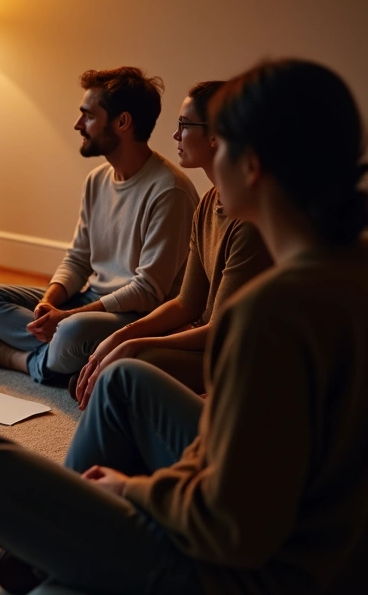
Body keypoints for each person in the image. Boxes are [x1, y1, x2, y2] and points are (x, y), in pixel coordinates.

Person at [0, 59, 368, 594]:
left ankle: (57, 554)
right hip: (326, 531)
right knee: (123, 382)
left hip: (278, 572)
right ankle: (61, 554)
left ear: (254, 165)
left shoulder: (270, 310)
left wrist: (131, 490)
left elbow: (231, 529)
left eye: (222, 144)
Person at [0, 67, 198, 389]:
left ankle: (22, 360)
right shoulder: (97, 180)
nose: (78, 125)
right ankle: (65, 360)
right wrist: (48, 304)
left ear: (122, 122)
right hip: (89, 299)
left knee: (72, 331)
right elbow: (78, 259)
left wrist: (67, 318)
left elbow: (148, 291)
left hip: (134, 315)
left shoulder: (169, 190)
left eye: (88, 116)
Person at [71, 81, 272, 407]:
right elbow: (185, 304)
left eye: (184, 125)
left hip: (230, 355)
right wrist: (123, 335)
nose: (176, 136)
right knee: (110, 361)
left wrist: (132, 345)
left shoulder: (249, 220)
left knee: (122, 370)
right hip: (202, 338)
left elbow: (219, 332)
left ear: (215, 136)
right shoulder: (208, 202)